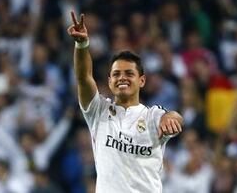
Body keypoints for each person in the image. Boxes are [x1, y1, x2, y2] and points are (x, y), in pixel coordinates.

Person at [67, 11, 183, 192]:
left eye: (129, 73)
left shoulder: (151, 115)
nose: (122, 78)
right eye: (116, 74)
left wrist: (171, 118)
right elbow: (83, 77)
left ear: (142, 81)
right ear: (109, 82)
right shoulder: (98, 111)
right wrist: (82, 44)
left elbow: (172, 116)